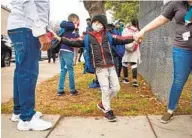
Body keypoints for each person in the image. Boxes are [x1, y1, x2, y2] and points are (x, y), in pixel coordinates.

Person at [134, 1, 192, 123]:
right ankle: (170, 110)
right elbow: (161, 19)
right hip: (182, 50)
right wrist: (143, 31)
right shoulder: (176, 4)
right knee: (179, 80)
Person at [54, 15, 134, 122]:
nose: (96, 24)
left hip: (111, 66)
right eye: (94, 22)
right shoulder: (87, 37)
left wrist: (134, 37)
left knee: (116, 88)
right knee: (105, 89)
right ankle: (107, 111)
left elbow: (122, 39)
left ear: (103, 24)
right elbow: (74, 41)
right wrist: (61, 39)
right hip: (99, 68)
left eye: (99, 22)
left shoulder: (109, 35)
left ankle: (102, 104)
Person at [7, 0, 52, 131]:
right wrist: (40, 31)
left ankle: (19, 112)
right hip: (27, 28)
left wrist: (44, 29)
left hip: (22, 27)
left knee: (21, 71)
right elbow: (26, 2)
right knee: (27, 72)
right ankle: (26, 119)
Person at [57, 14, 80, 96]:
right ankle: (72, 90)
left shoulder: (73, 29)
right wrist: (73, 23)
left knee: (63, 70)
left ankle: (60, 90)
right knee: (70, 70)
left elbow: (77, 38)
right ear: (74, 19)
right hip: (67, 50)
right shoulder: (70, 25)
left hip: (63, 50)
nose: (78, 22)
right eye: (78, 20)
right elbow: (62, 24)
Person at [122, 19, 141, 87]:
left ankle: (126, 79)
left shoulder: (126, 30)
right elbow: (140, 40)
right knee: (134, 64)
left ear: (131, 22)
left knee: (124, 63)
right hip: (135, 49)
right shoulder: (138, 31)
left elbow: (122, 38)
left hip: (126, 48)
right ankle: (135, 81)